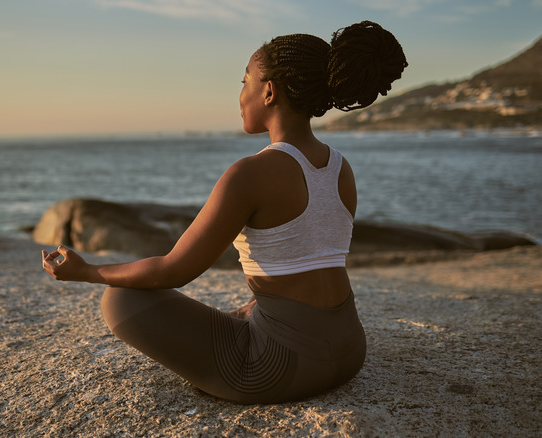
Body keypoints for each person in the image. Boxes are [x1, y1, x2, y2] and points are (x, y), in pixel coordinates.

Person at [42, 21, 407, 404]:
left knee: (120, 300)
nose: (240, 94)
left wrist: (86, 271)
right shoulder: (340, 168)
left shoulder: (250, 173)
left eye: (244, 80)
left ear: (269, 92)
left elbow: (173, 271)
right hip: (350, 352)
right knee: (245, 310)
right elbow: (310, 260)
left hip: (279, 370)